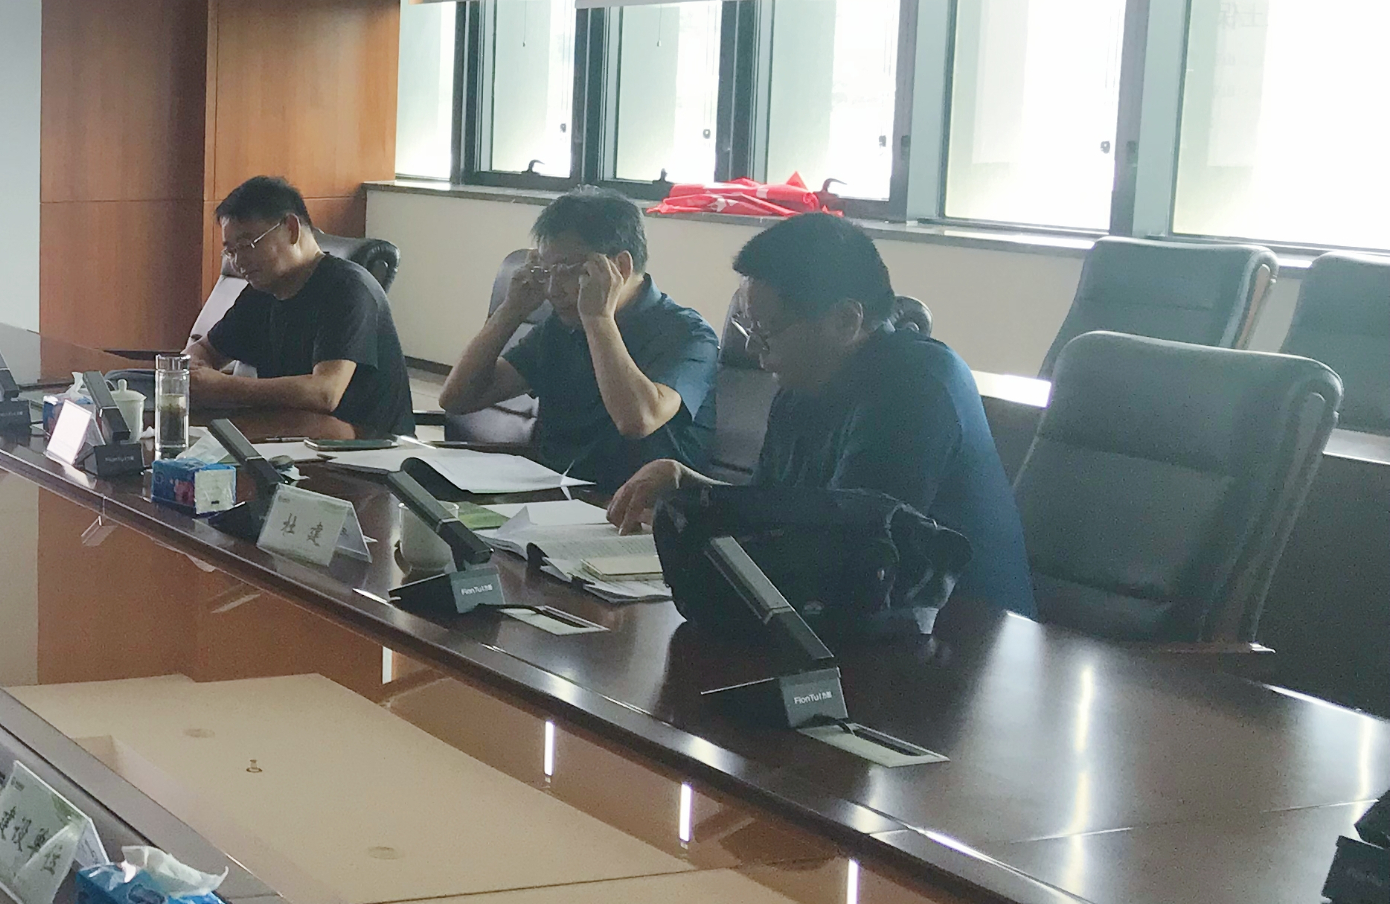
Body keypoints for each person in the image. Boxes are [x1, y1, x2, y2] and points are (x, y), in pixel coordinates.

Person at [606, 213, 1034, 613]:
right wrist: (687, 484)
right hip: (866, 618)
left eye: (768, 331)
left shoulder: (918, 388)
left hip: (965, 632)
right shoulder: (801, 387)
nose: (753, 350)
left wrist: (708, 509)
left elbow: (853, 541)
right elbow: (774, 507)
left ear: (845, 321)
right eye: (749, 329)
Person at [436, 189, 719, 493]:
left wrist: (599, 320)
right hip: (548, 495)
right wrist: (511, 311)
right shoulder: (560, 327)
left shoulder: (688, 335)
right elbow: (457, 399)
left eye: (568, 270)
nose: (553, 289)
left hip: (635, 508)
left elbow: (638, 420)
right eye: (547, 272)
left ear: (619, 268)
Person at [189, 176, 413, 436]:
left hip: (369, 446)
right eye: (231, 251)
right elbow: (205, 349)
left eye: (247, 245)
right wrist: (194, 371)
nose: (238, 261)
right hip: (297, 435)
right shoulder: (261, 291)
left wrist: (223, 387)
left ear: (291, 228)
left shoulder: (349, 289)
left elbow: (325, 392)